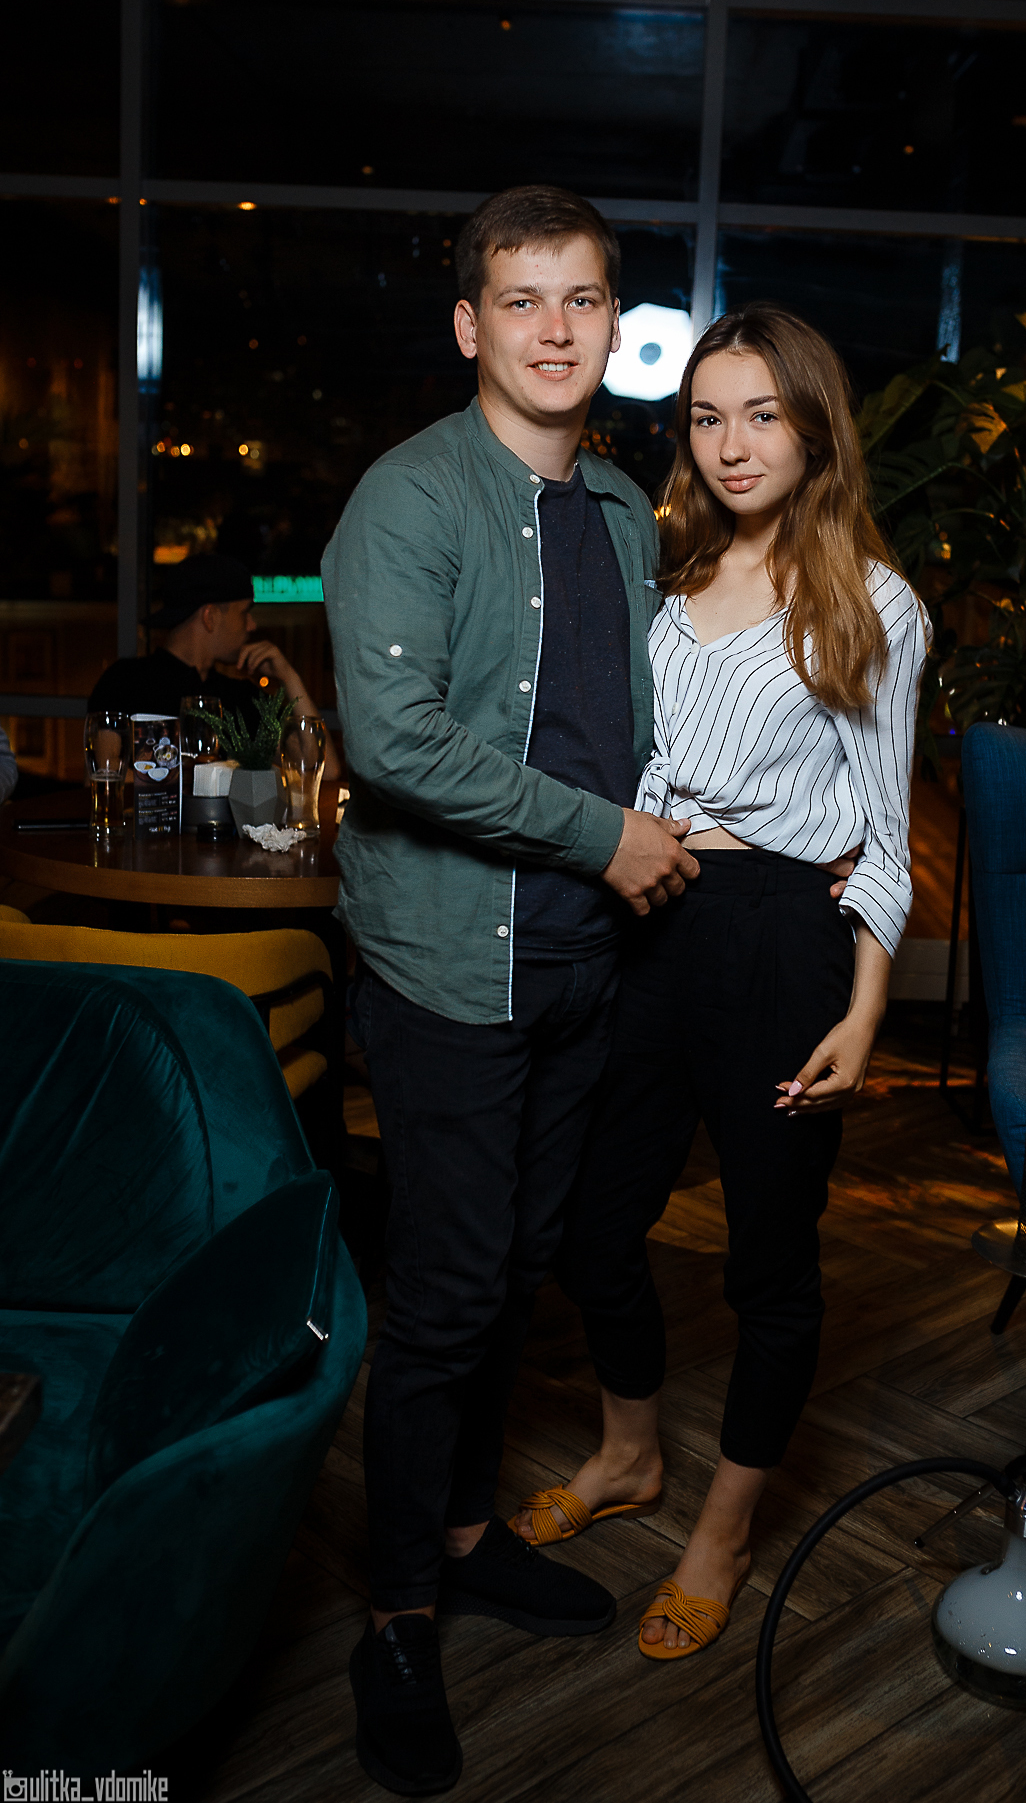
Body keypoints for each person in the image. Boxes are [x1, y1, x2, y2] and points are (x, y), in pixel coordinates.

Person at [321, 185, 701, 1794]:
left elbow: (638, 726)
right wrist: (607, 838)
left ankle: (469, 1537)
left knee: (523, 1267)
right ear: (473, 324)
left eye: (584, 299)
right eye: (524, 300)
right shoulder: (410, 497)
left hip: (585, 965)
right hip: (449, 964)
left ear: (617, 324)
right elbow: (395, 744)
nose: (557, 329)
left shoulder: (618, 507)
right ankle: (397, 1614)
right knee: (450, 1295)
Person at [513, 304, 927, 1661]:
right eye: (706, 416)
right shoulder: (667, 573)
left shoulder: (872, 603)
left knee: (769, 1267)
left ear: (813, 430)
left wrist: (865, 1011)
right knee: (589, 1231)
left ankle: (726, 1530)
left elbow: (883, 835)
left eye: (761, 414)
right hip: (644, 924)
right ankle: (631, 1450)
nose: (731, 443)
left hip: (778, 944)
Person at [87, 552, 319, 721]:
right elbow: (106, 771)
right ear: (210, 617)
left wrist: (289, 677)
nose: (252, 625)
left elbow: (322, 767)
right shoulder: (125, 684)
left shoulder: (240, 697)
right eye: (244, 613)